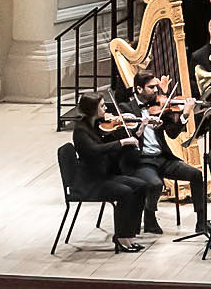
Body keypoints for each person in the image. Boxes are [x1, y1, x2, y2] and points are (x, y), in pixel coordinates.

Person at [66, 91, 161, 250]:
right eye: (102, 106)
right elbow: (95, 151)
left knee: (141, 186)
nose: (106, 109)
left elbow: (111, 145)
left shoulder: (97, 125)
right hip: (90, 181)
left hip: (104, 175)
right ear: (92, 109)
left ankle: (129, 234)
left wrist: (137, 132)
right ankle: (121, 237)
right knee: (125, 192)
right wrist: (122, 142)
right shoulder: (81, 131)